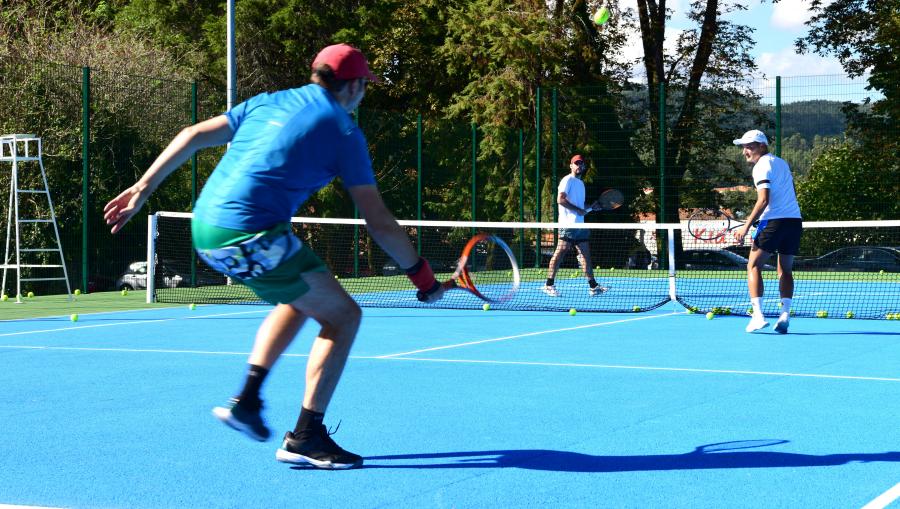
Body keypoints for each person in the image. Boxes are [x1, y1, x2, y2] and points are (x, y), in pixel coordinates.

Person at [103, 43, 444, 469]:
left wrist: (142, 189)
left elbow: (192, 136)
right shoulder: (343, 131)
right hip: (252, 232)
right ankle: (306, 437)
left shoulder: (268, 101)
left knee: (300, 297)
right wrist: (421, 275)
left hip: (205, 228)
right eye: (364, 86)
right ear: (354, 86)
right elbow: (377, 220)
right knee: (343, 315)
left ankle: (246, 400)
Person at [732, 129, 802, 334]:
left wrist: (746, 226)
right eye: (744, 147)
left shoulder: (760, 166)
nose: (746, 151)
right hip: (794, 222)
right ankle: (785, 315)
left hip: (774, 222)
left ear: (762, 146)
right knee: (785, 269)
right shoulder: (781, 162)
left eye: (750, 146)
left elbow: (764, 200)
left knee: (753, 265)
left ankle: (758, 316)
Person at [542, 154, 608, 297]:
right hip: (567, 225)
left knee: (585, 256)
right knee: (560, 253)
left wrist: (591, 207)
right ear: (571, 166)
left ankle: (593, 286)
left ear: (583, 167)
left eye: (581, 164)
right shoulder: (568, 180)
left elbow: (580, 206)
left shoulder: (581, 184)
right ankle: (548, 285)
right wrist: (579, 210)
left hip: (580, 225)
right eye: (576, 163)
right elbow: (560, 200)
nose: (579, 166)